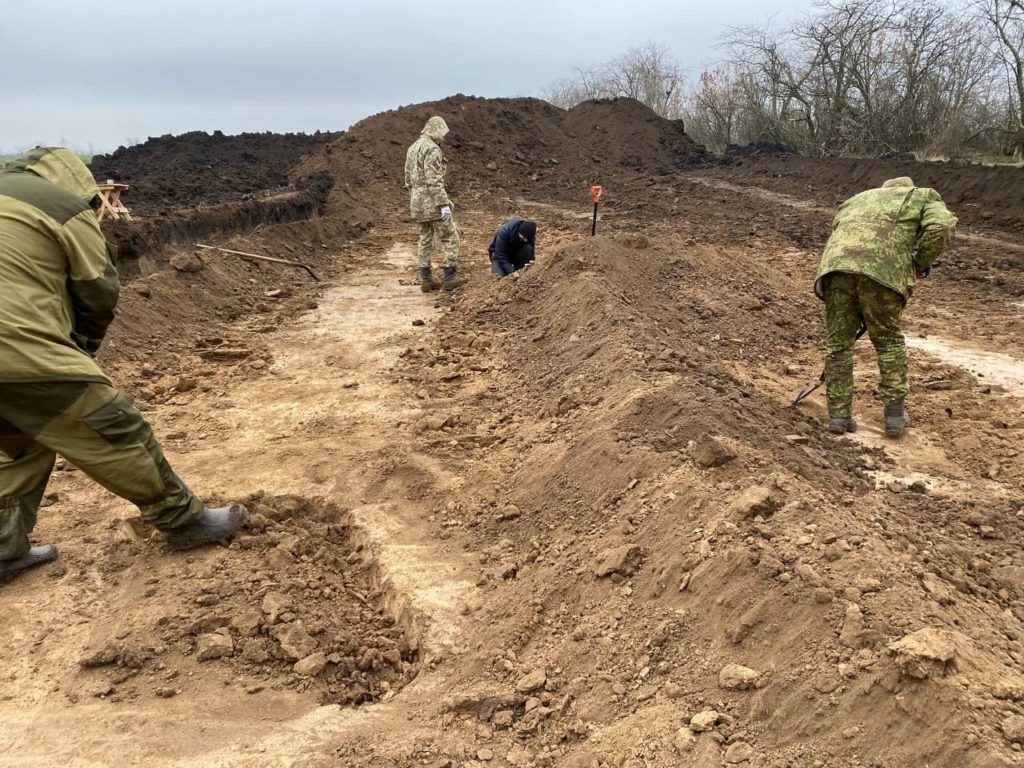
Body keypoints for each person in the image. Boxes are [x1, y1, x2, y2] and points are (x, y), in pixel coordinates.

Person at [0, 147, 247, 581]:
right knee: (113, 424)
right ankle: (184, 521)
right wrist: (82, 347)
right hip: (13, 347)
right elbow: (96, 290)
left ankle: (3, 550)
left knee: (19, 443)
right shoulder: (62, 206)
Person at [814, 176, 957, 437]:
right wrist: (920, 263)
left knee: (838, 344)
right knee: (888, 341)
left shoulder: (856, 199)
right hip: (882, 273)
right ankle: (894, 417)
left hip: (835, 269)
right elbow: (941, 226)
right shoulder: (922, 195)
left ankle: (838, 417)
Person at [404, 116, 466, 292]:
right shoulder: (432, 149)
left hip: (416, 203)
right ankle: (450, 276)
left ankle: (426, 279)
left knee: (425, 239)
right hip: (432, 203)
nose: (443, 138)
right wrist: (443, 204)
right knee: (450, 237)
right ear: (437, 130)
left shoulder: (412, 148)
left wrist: (416, 197)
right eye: (443, 133)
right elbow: (434, 181)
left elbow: (407, 179)